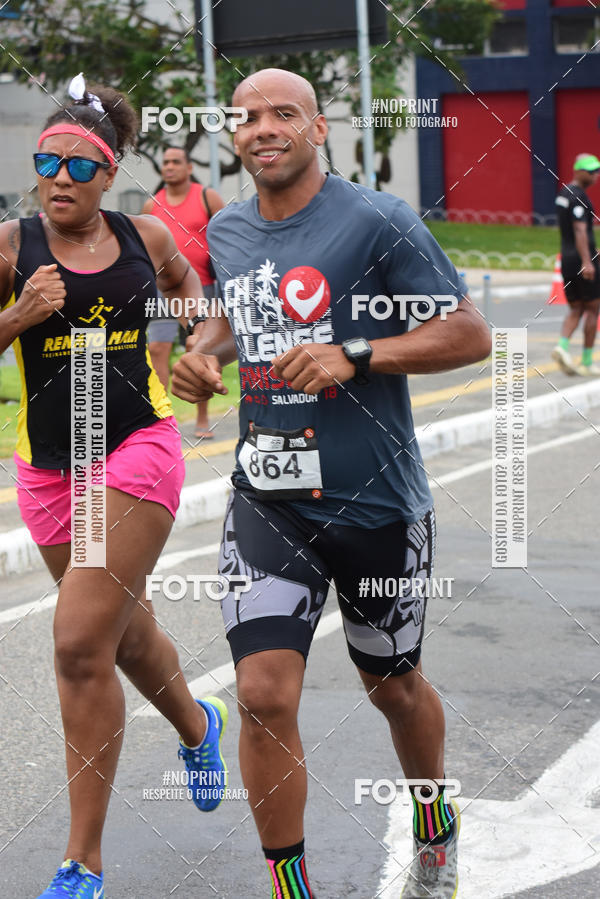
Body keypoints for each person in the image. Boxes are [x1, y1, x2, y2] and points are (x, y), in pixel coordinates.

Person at [172, 67, 491, 899]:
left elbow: (470, 331)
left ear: (319, 129)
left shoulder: (378, 220)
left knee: (392, 686)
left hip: (377, 501)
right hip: (269, 500)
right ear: (231, 136)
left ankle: (432, 812)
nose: (264, 127)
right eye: (247, 117)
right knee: (261, 693)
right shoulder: (230, 228)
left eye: (286, 113)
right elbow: (232, 313)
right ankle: (291, 887)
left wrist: (356, 354)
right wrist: (205, 351)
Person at [0, 76, 228, 899]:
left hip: (135, 447)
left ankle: (81, 863)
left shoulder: (148, 236)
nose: (59, 177)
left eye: (79, 164)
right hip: (48, 470)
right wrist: (19, 316)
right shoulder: (10, 246)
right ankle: (200, 726)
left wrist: (193, 344)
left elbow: (188, 300)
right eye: (46, 161)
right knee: (122, 636)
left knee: (76, 641)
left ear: (110, 169)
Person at [143, 146, 224, 438]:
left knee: (199, 348)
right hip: (161, 291)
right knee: (156, 349)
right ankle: (162, 419)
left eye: (176, 161)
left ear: (189, 168)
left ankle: (202, 418)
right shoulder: (152, 204)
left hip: (202, 288)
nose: (169, 167)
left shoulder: (207, 196)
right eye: (165, 162)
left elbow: (227, 234)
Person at [552, 152, 600, 376]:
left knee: (576, 307)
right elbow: (580, 229)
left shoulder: (563, 193)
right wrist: (587, 261)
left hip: (567, 260)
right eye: (592, 171)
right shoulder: (579, 196)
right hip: (583, 261)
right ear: (579, 171)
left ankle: (562, 346)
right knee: (592, 308)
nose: (596, 175)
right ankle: (587, 361)